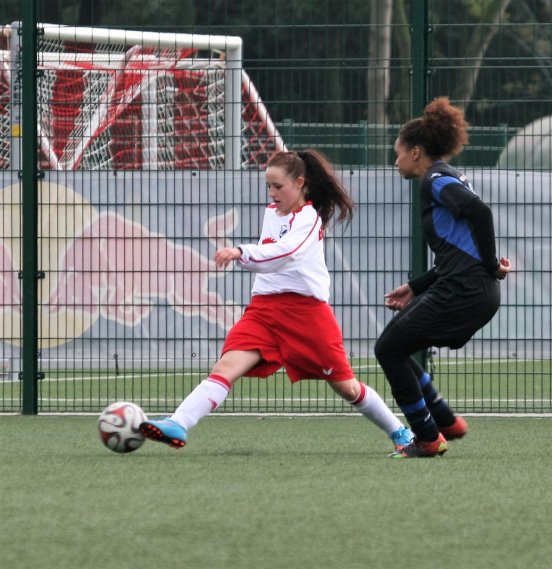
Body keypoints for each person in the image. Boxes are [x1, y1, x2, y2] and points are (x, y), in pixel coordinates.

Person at [139, 149, 414, 451]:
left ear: (300, 183)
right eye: (268, 186)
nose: (272, 193)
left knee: (346, 387)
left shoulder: (309, 218)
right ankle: (178, 424)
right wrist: (247, 255)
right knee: (225, 367)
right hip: (263, 311)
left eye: (278, 186)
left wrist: (241, 252)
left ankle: (401, 434)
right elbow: (268, 260)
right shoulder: (271, 212)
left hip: (306, 314)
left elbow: (285, 253)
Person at [377, 97, 512, 458]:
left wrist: (491, 264)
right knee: (395, 344)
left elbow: (480, 212)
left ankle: (428, 438)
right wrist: (414, 287)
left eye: (398, 153)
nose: (395, 161)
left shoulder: (435, 180)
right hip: (471, 289)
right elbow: (456, 254)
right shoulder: (446, 175)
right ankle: (445, 421)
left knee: (388, 349)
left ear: (416, 152)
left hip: (465, 290)